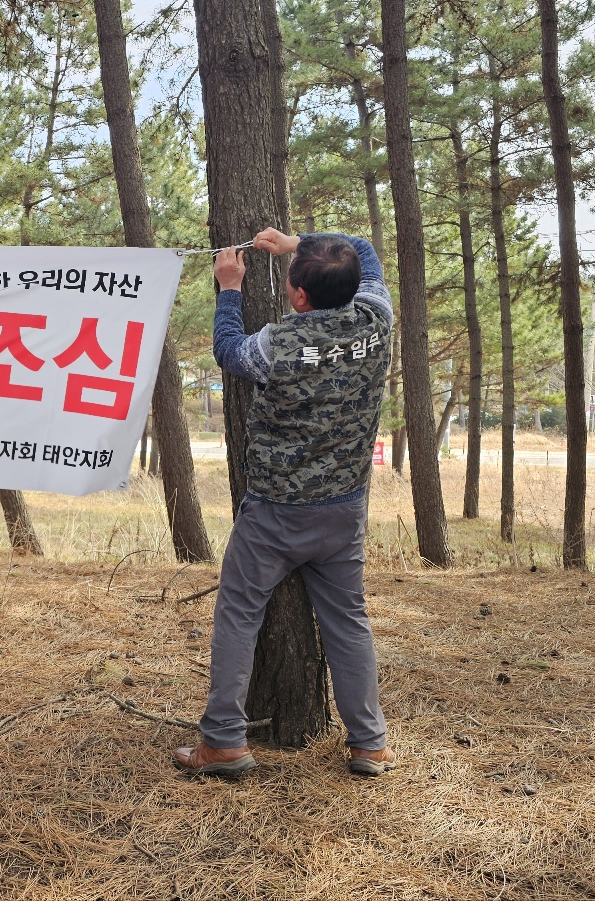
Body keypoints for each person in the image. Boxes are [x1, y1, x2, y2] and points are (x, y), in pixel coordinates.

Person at [173, 229, 395, 777]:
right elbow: (364, 248)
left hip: (274, 511)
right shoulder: (376, 320)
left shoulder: (277, 344)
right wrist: (299, 243)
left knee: (239, 615)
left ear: (298, 295)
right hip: (344, 508)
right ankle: (369, 743)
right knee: (348, 621)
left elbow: (228, 350)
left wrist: (229, 289)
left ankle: (224, 740)